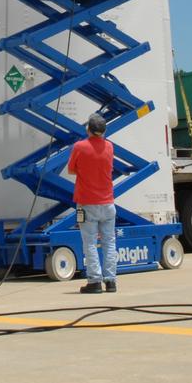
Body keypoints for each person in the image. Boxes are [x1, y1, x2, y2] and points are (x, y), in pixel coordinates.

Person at [66, 113, 118, 293]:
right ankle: (111, 281)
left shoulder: (80, 147)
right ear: (103, 131)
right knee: (109, 242)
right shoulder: (110, 147)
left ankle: (94, 281)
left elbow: (71, 170)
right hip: (108, 202)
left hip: (87, 202)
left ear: (88, 129)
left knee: (89, 243)